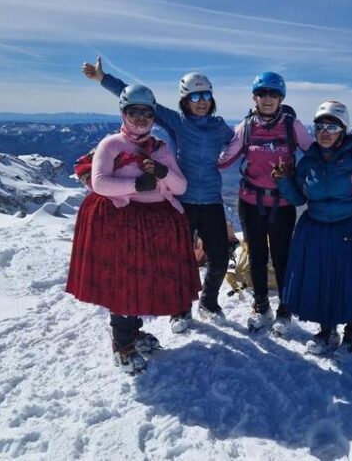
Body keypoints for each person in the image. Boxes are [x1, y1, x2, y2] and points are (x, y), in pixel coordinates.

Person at [83, 57, 235, 330]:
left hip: (211, 198)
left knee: (220, 255)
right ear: (185, 100)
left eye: (206, 96)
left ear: (212, 99)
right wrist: (103, 79)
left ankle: (209, 303)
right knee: (180, 258)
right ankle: (181, 308)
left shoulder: (220, 127)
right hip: (181, 200)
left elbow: (239, 144)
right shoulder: (177, 122)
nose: (201, 101)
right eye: (194, 96)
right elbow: (139, 101)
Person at [65, 85, 201, 374]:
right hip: (122, 224)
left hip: (151, 224)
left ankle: (133, 333)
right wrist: (136, 185)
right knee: (124, 283)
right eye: (134, 112)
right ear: (123, 114)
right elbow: (101, 182)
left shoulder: (160, 149)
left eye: (146, 113)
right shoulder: (111, 145)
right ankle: (122, 343)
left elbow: (180, 186)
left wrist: (163, 173)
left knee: (143, 283)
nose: (140, 119)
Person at [273, 100, 352, 353]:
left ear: (343, 129)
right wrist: (283, 181)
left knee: (351, 281)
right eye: (320, 127)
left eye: (331, 128)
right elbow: (299, 198)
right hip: (318, 229)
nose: (324, 132)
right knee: (324, 281)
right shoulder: (309, 160)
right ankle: (327, 331)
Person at [218, 72, 313, 332]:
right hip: (250, 201)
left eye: (273, 94)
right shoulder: (246, 126)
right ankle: (261, 306)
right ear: (254, 97)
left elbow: (315, 153)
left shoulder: (292, 125)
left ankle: (285, 308)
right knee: (257, 255)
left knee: (283, 258)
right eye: (262, 94)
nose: (267, 99)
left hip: (282, 204)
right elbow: (225, 159)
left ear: (281, 97)